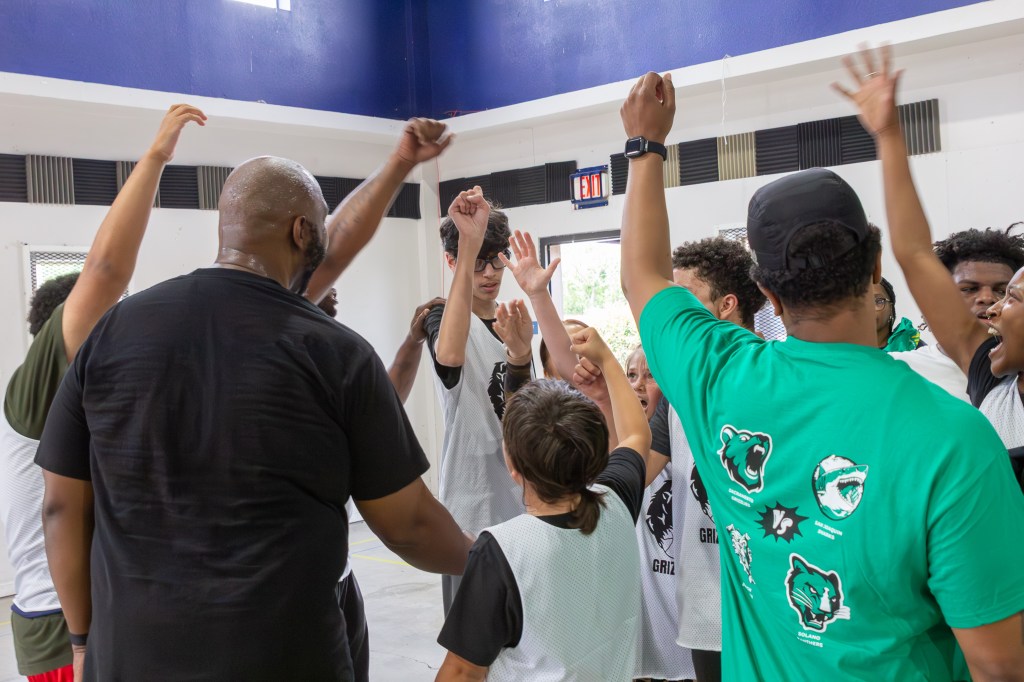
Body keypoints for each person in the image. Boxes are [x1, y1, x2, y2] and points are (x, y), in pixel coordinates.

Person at [619, 56, 1024, 681]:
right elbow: (1000, 667)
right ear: (874, 268)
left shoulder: (717, 379)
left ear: (767, 296)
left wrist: (646, 145)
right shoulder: (956, 440)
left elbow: (642, 276)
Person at [36, 155, 473, 681]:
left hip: (131, 655)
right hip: (283, 656)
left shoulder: (112, 333)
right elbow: (408, 525)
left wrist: (82, 641)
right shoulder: (335, 353)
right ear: (301, 230)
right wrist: (490, 560)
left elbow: (60, 507)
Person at [0, 104, 206, 682]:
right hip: (64, 634)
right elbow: (106, 270)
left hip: (111, 620)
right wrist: (158, 155)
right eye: (104, 323)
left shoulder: (95, 408)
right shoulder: (34, 393)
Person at [839, 47, 1024, 492]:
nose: (992, 309)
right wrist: (887, 135)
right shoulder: (991, 380)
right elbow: (916, 253)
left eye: (1011, 297)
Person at [434, 327, 649, 681]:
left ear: (513, 465)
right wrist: (607, 360)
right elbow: (637, 435)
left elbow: (462, 671)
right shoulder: (619, 502)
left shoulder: (501, 551)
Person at [646, 236, 766, 682]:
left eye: (685, 298)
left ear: (726, 304)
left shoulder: (774, 376)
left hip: (771, 606)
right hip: (705, 609)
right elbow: (635, 471)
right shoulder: (677, 393)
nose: (673, 314)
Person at [424, 188, 528, 613]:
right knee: (474, 642)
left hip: (520, 503)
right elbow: (449, 356)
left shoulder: (512, 320)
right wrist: (469, 241)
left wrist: (521, 353)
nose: (489, 273)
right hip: (470, 510)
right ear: (452, 261)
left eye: (496, 260)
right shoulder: (441, 318)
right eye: (477, 261)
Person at [622, 345, 696, 682]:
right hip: (645, 632)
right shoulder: (622, 451)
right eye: (631, 375)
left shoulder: (689, 450)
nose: (638, 385)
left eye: (650, 376)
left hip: (692, 628)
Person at [891, 225, 1024, 402]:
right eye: (969, 289)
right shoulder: (895, 368)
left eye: (1004, 292)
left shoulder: (1013, 372)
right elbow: (913, 255)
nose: (987, 299)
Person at [874, 277, 922, 350]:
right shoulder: (850, 352)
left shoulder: (915, 349)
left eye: (878, 301)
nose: (869, 309)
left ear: (891, 308)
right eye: (860, 303)